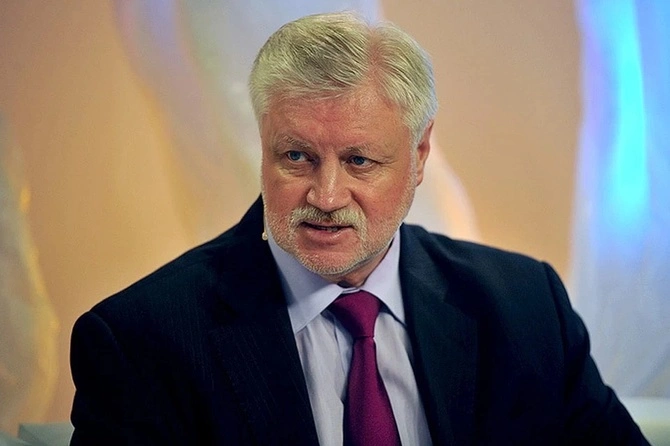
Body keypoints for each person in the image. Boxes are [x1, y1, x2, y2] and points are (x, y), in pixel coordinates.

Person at [69, 12, 649, 446]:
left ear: (419, 156)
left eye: (359, 161)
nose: (325, 197)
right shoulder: (143, 343)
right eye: (296, 157)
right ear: (263, 144)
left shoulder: (525, 309)